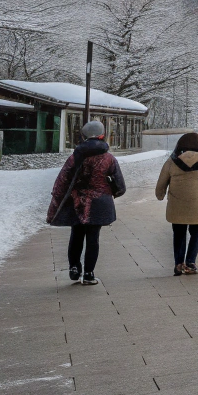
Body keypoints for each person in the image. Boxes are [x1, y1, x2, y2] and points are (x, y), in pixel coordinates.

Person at [47, 119, 126, 286]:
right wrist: (114, 190)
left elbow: (62, 180)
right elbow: (120, 185)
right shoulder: (109, 158)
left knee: (76, 234)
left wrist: (56, 201)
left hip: (77, 201)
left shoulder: (75, 157)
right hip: (99, 202)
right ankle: (89, 274)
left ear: (84, 137)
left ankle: (74, 267)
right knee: (93, 238)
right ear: (102, 136)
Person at [154, 131, 198, 276]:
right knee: (196, 234)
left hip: (177, 206)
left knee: (178, 235)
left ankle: (179, 264)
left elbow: (161, 183)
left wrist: (160, 195)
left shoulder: (171, 162)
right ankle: (190, 263)